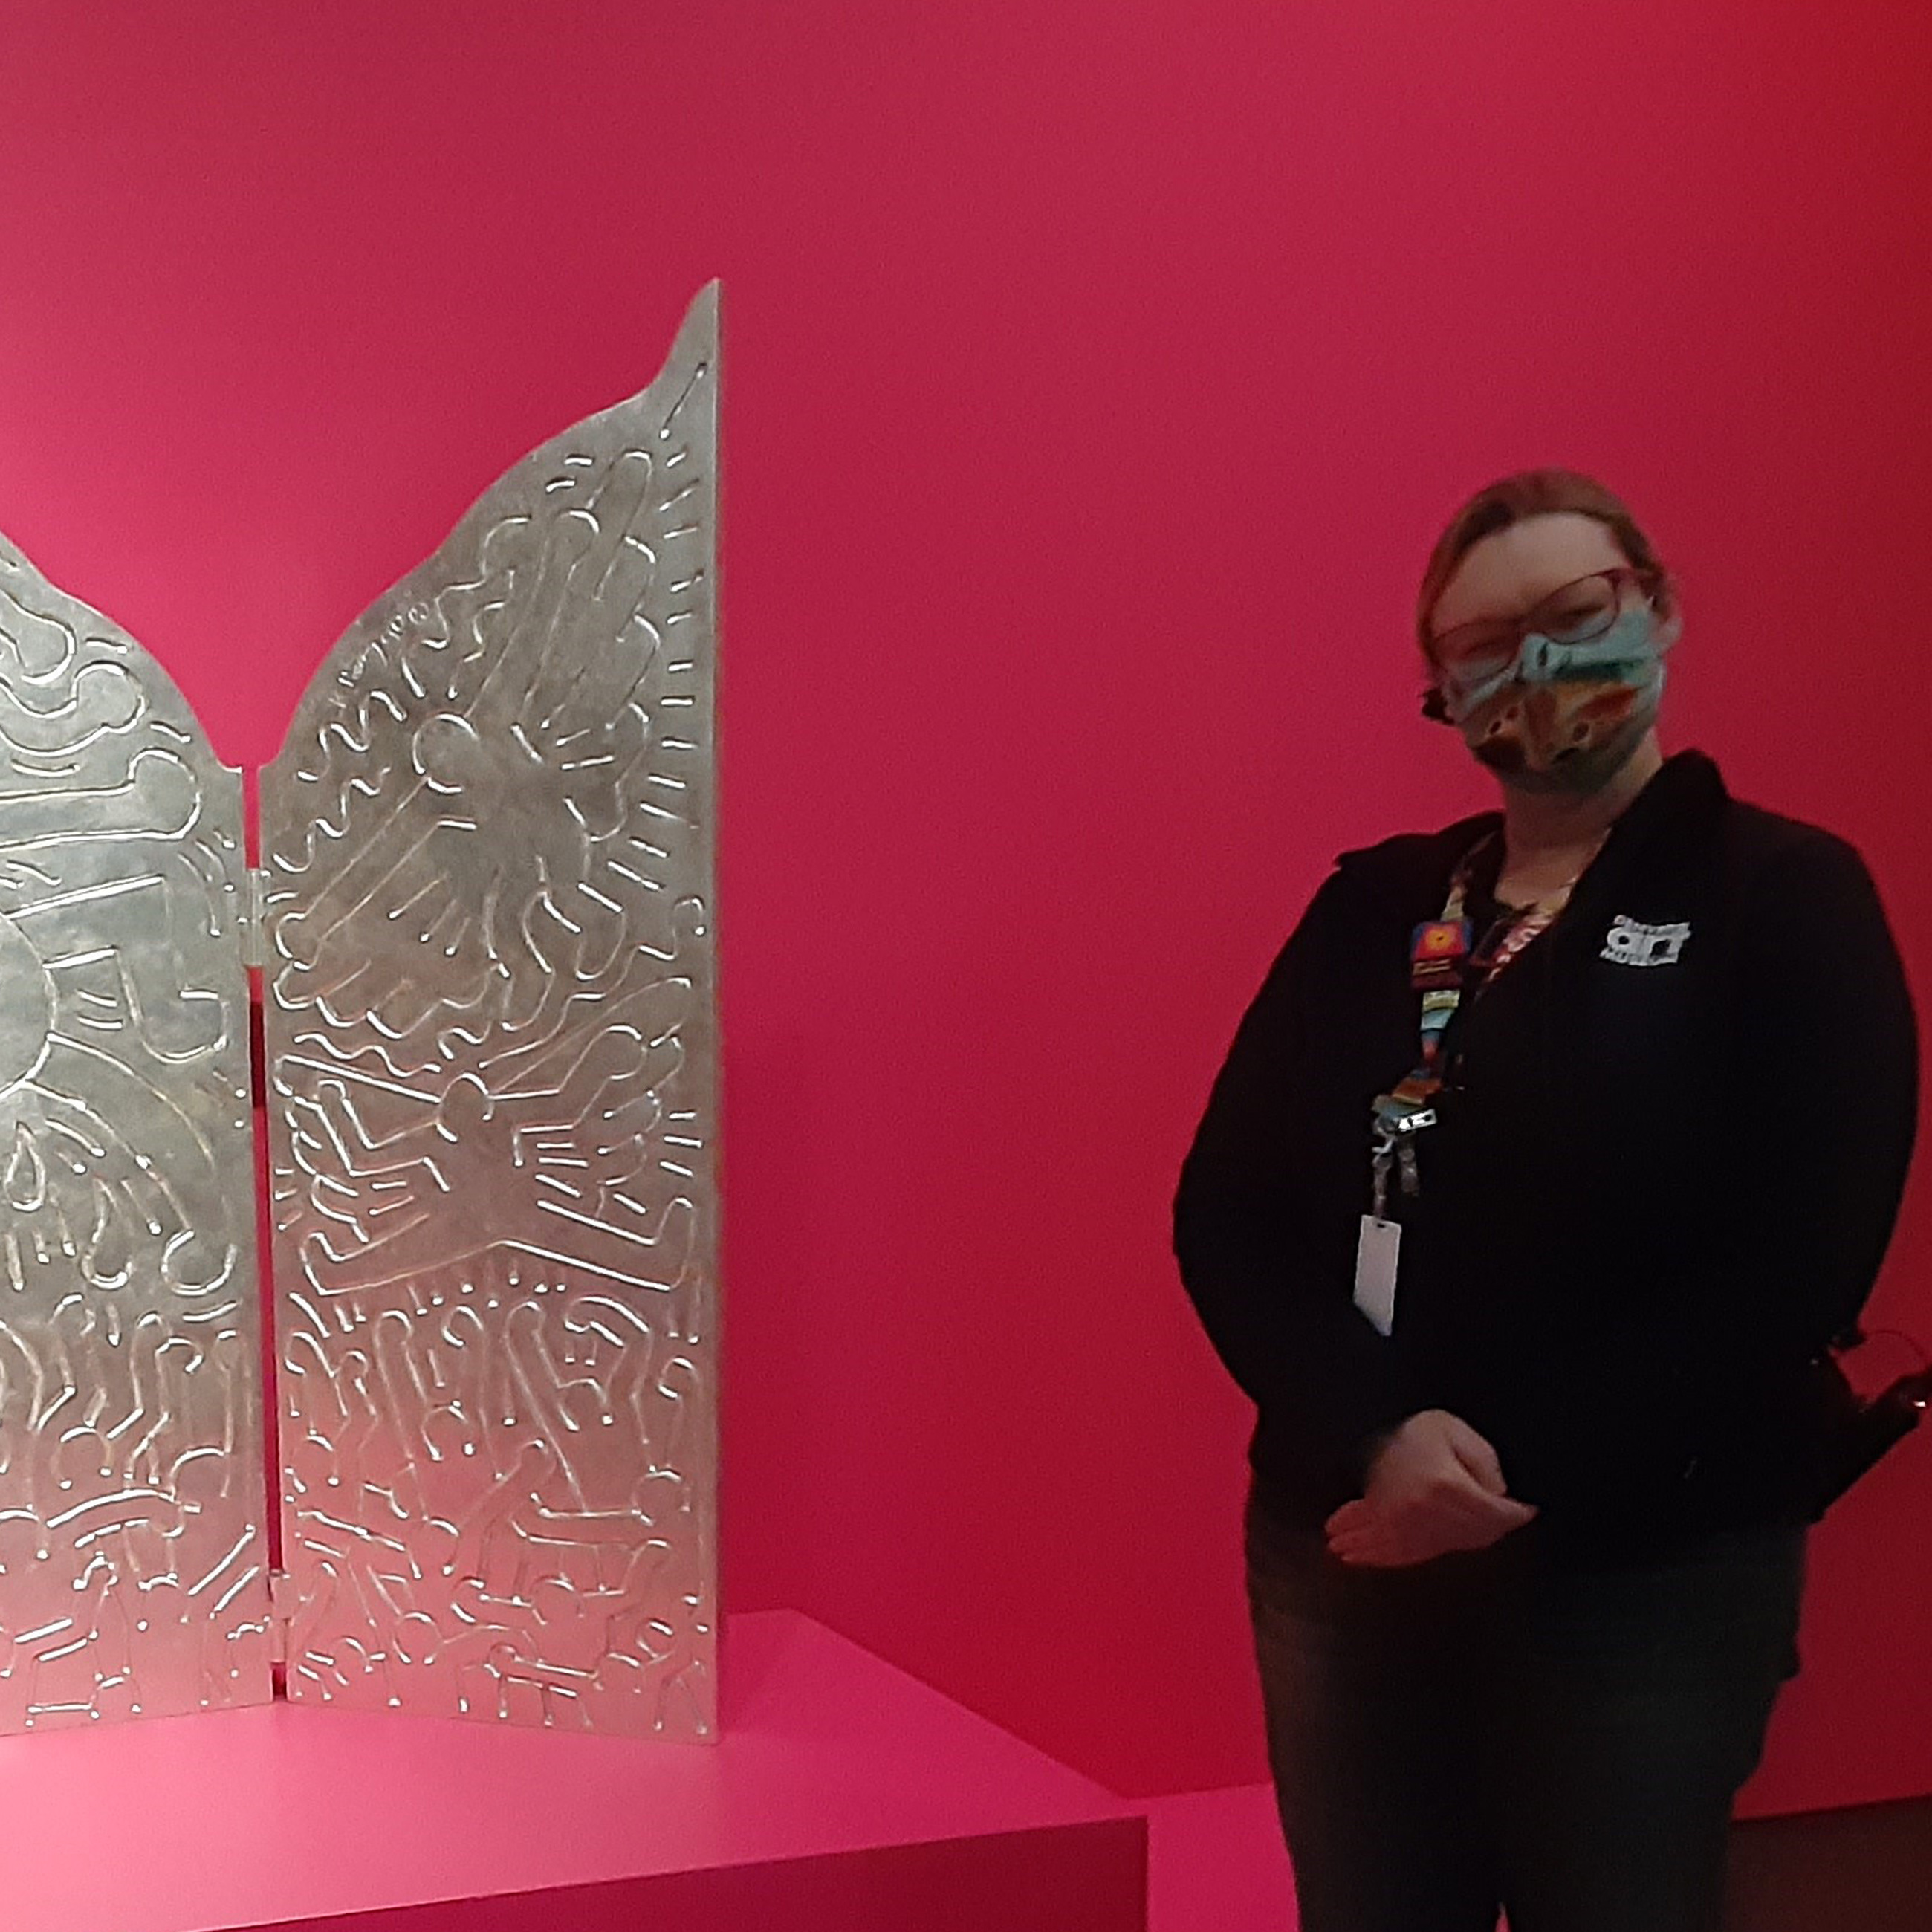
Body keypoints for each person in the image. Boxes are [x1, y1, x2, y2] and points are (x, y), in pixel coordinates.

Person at [1172, 469, 1919, 1932]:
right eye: (1482, 644)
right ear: (1440, 692)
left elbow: (1799, 1264)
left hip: (1643, 1573)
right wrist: (1380, 1442)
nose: (1536, 668)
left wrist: (1495, 1482)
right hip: (1350, 1554)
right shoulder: (1373, 909)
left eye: (1574, 615)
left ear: (1655, 608)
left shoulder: (1783, 894)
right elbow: (1227, 1213)